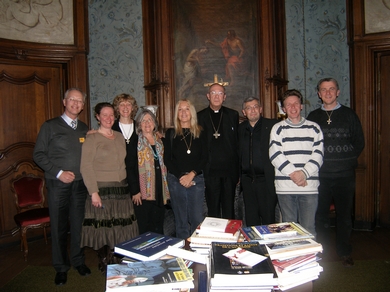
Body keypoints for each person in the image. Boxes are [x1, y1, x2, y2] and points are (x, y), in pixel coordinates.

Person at [33, 88, 91, 286]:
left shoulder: (84, 128)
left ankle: (78, 261)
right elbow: (38, 154)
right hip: (58, 184)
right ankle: (60, 267)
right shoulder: (50, 126)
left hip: (80, 185)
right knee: (58, 226)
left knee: (78, 226)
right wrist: (59, 173)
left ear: (83, 106)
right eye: (72, 99)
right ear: (64, 102)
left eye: (79, 101)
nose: (76, 103)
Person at [307, 78, 365, 267]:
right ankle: (321, 251)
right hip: (320, 175)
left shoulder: (349, 115)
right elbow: (308, 144)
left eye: (332, 89)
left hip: (344, 175)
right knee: (320, 216)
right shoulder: (313, 116)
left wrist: (346, 159)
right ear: (319, 94)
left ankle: (344, 252)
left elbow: (359, 142)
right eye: (324, 90)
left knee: (344, 216)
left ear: (338, 92)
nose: (328, 93)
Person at [80, 102, 138, 275]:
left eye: (111, 114)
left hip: (121, 189)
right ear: (97, 117)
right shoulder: (91, 138)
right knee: (104, 228)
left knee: (120, 228)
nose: (108, 118)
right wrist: (94, 193)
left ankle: (117, 259)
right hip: (102, 190)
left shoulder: (120, 136)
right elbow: (86, 167)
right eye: (104, 115)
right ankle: (105, 262)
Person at [269, 89, 324, 236]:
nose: (292, 107)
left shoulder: (314, 128)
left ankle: (309, 259)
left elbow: (318, 155)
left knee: (308, 228)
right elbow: (275, 154)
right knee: (288, 229)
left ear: (301, 106)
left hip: (309, 187)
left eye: (296, 104)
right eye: (288, 104)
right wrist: (294, 175)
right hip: (286, 187)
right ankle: (291, 259)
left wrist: (303, 174)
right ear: (284, 108)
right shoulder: (277, 129)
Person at [163, 99, 208, 239]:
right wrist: (180, 177)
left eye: (187, 109)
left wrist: (191, 175)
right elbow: (167, 159)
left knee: (196, 219)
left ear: (192, 112)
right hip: (176, 180)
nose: (183, 112)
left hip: (196, 179)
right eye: (180, 109)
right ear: (177, 113)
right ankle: (183, 253)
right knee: (181, 221)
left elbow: (205, 157)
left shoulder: (201, 132)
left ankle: (197, 250)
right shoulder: (171, 133)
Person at [197, 82, 239, 219]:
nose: (216, 96)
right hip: (210, 172)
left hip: (229, 172)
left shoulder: (232, 115)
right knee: (213, 211)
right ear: (208, 96)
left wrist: (238, 171)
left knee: (229, 211)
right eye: (213, 93)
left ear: (224, 97)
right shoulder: (200, 117)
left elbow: (236, 144)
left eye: (220, 93)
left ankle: (230, 239)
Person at [238, 97, 278, 226]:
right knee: (251, 219)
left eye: (255, 107)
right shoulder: (240, 129)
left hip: (266, 181)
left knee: (268, 220)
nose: (252, 110)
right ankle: (254, 246)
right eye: (249, 108)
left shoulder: (272, 126)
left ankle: (268, 245)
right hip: (247, 181)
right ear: (244, 112)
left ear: (260, 109)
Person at [135, 109, 170, 234]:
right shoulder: (135, 142)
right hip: (144, 189)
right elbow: (131, 167)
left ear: (154, 124)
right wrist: (135, 190)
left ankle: (159, 249)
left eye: (149, 120)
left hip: (160, 187)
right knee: (145, 223)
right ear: (139, 125)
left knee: (159, 221)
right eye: (143, 120)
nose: (147, 123)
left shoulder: (162, 141)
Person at [111, 93, 143, 230]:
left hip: (137, 179)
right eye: (122, 104)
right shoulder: (110, 128)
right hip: (117, 180)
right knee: (119, 217)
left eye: (128, 104)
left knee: (136, 218)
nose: (125, 107)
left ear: (133, 107)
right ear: (117, 108)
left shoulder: (141, 128)